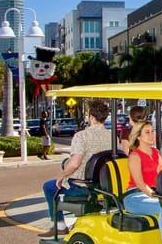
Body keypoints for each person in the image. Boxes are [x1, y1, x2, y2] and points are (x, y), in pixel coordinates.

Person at [39, 100, 114, 238]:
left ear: (91, 117)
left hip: (83, 186)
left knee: (49, 186)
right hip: (104, 185)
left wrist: (61, 175)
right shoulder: (112, 137)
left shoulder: (82, 136)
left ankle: (60, 225)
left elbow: (75, 163)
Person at [123, 121, 162, 244]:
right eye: (147, 132)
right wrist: (156, 197)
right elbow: (140, 183)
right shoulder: (135, 156)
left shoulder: (156, 152)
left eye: (152, 131)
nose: (151, 135)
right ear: (138, 136)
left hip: (156, 194)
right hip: (136, 196)